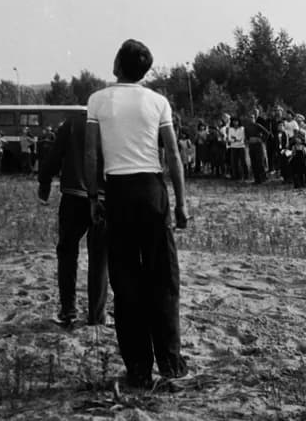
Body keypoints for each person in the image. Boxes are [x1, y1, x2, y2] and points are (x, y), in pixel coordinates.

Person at [85, 39, 189, 392]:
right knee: (164, 276)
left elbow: (91, 154)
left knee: (126, 280)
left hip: (118, 191)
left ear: (118, 64)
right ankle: (171, 361)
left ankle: (139, 369)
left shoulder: (98, 100)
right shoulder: (158, 101)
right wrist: (181, 202)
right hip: (152, 189)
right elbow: (172, 154)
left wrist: (93, 196)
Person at [38, 111, 109, 328]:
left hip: (73, 194)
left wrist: (44, 182)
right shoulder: (111, 121)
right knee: (100, 256)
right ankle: (96, 315)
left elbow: (55, 154)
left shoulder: (72, 123)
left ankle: (68, 310)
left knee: (67, 252)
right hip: (104, 196)